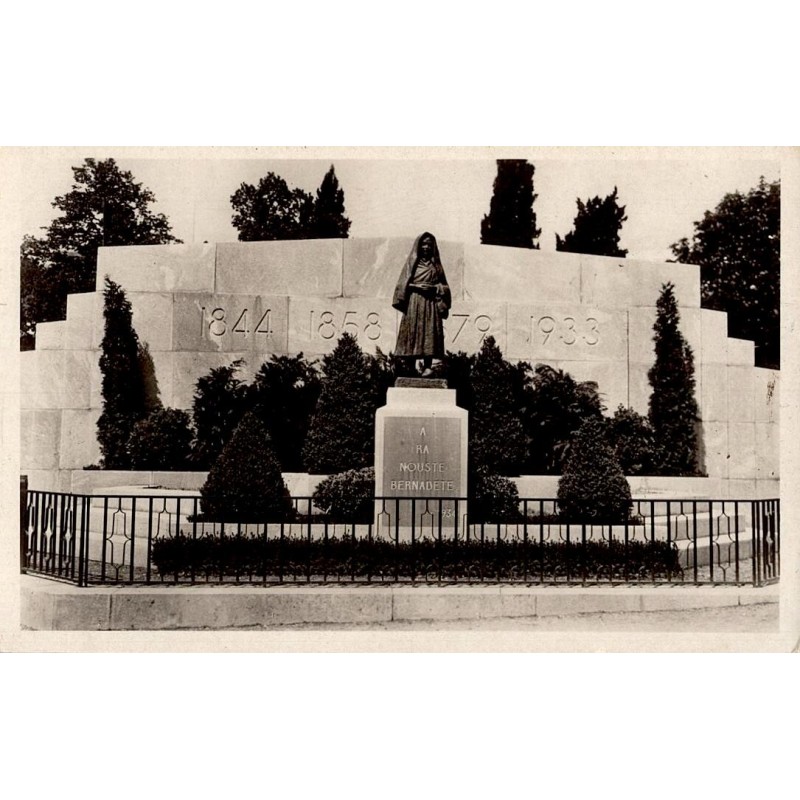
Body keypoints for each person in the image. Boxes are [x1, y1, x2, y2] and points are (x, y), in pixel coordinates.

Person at [392, 232, 451, 377]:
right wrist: (416, 287)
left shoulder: (436, 266)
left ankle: (428, 366)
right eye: (423, 244)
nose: (426, 247)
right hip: (414, 302)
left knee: (429, 333)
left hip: (430, 303)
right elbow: (402, 284)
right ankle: (410, 366)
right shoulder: (412, 264)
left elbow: (445, 287)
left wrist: (435, 288)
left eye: (429, 245)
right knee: (413, 331)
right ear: (418, 246)